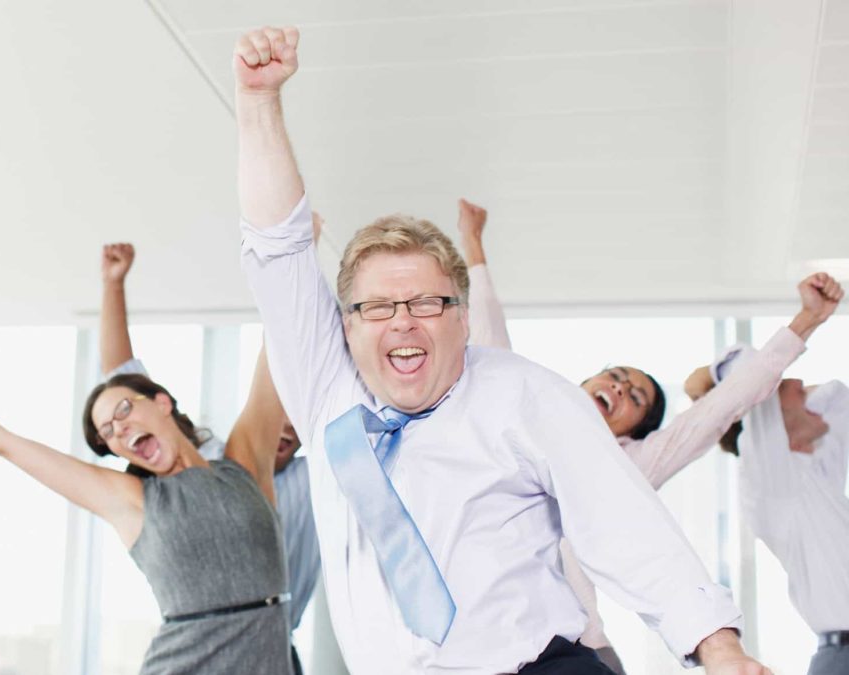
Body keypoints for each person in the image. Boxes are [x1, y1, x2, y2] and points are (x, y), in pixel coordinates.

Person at [233, 25, 769, 674]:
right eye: (379, 306)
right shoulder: (328, 394)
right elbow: (279, 250)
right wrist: (260, 104)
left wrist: (718, 644)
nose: (403, 321)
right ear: (346, 324)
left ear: (463, 317)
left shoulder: (526, 393)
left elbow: (622, 519)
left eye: (428, 302)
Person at [457, 199, 842, 673]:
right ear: (585, 384)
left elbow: (722, 406)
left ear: (631, 432)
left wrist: (808, 319)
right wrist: (473, 245)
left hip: (576, 649)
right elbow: (491, 346)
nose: (619, 386)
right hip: (486, 646)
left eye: (634, 396)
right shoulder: (522, 422)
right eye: (614, 375)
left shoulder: (628, 464)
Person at [0, 331, 295, 674]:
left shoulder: (244, 465)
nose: (119, 428)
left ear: (162, 403)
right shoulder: (133, 500)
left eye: (124, 409)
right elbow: (6, 445)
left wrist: (288, 250)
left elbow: (273, 352)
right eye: (108, 432)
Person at [97, 241, 320, 672]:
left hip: (274, 644)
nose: (285, 430)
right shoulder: (204, 464)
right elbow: (122, 386)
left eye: (296, 424)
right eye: (280, 418)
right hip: (208, 643)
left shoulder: (316, 483)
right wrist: (113, 285)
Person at [687, 283, 846, 675]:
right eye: (795, 391)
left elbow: (839, 396)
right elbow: (745, 366)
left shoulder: (815, 479)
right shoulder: (771, 483)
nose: (806, 389)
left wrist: (795, 398)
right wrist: (708, 381)